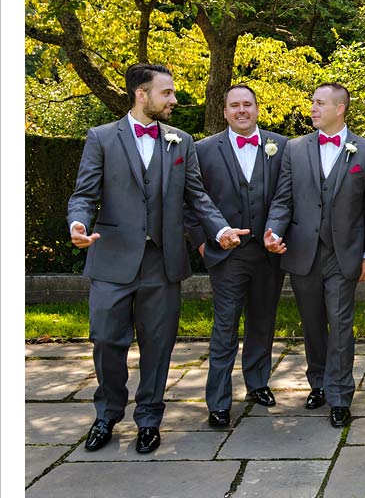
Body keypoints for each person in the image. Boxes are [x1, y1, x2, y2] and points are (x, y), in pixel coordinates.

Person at [68, 63, 245, 454]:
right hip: (112, 260)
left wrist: (220, 230)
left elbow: (196, 196)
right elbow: (84, 194)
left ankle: (149, 418)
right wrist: (78, 224)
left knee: (159, 344)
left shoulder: (181, 141)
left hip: (162, 263)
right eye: (167, 93)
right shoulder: (101, 138)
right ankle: (108, 414)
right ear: (141, 94)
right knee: (106, 342)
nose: (174, 100)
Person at [264, 83, 365, 428]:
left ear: (340, 108)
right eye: (312, 102)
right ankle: (319, 383)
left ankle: (341, 395)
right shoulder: (294, 149)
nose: (312, 108)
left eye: (318, 103)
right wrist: (273, 230)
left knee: (341, 324)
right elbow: (284, 198)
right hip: (303, 251)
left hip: (344, 254)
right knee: (312, 322)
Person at [187, 84, 288, 428]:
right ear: (225, 110)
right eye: (234, 106)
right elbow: (191, 199)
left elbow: (286, 196)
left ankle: (257, 383)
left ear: (258, 109)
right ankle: (218, 401)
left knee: (263, 321)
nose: (241, 110)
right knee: (225, 326)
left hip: (268, 254)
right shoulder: (202, 150)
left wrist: (277, 232)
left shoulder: (282, 146)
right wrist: (202, 243)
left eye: (247, 104)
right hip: (226, 256)